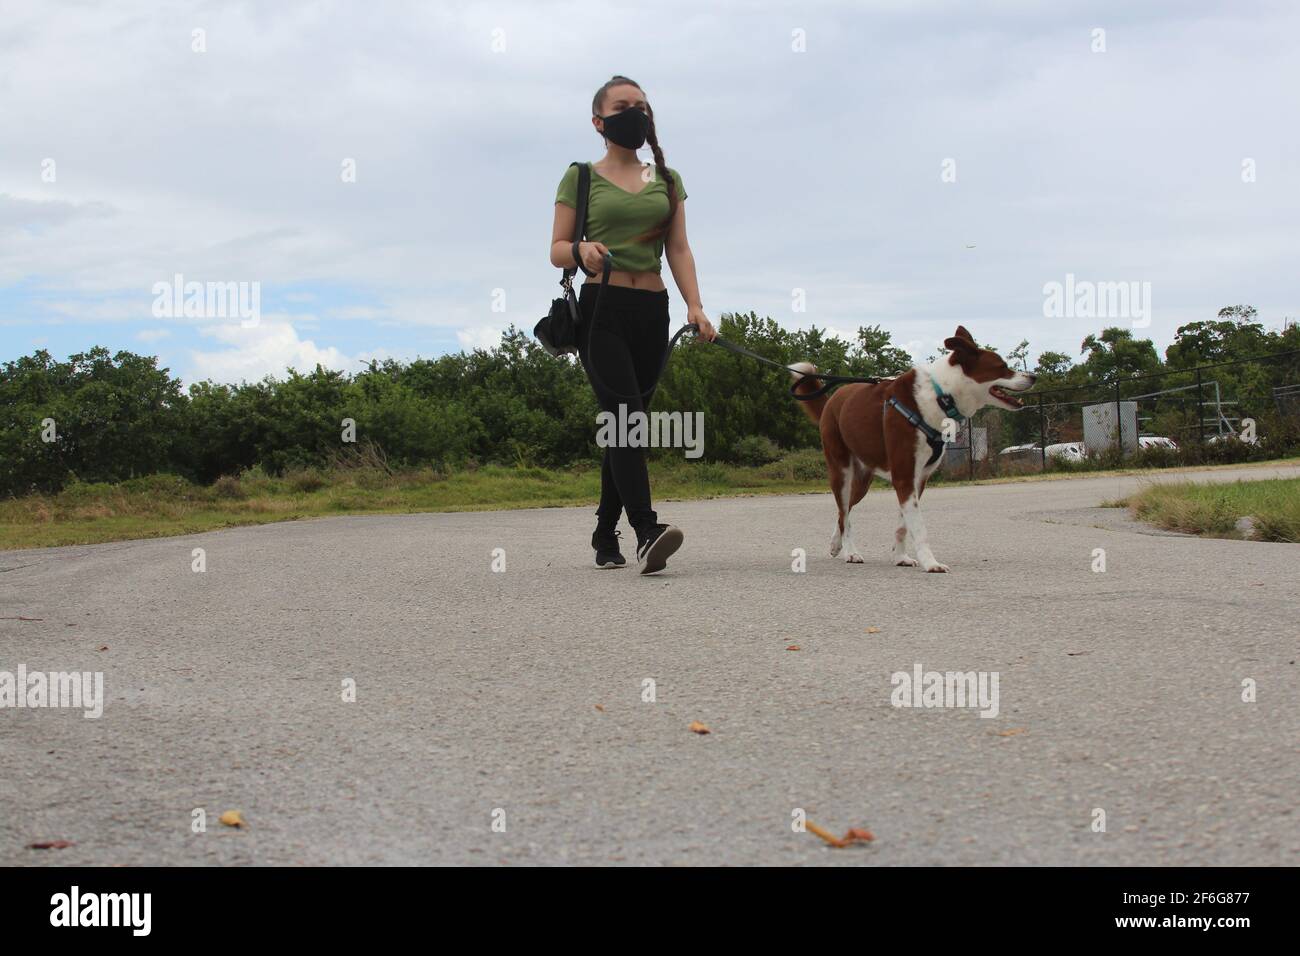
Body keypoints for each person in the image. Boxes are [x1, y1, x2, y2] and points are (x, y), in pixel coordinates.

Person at [550, 75, 716, 574]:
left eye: (642, 106)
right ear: (599, 121)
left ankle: (605, 531)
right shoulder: (580, 177)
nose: (636, 113)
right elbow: (556, 247)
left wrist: (696, 305)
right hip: (602, 310)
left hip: (654, 310)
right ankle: (647, 530)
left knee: (626, 424)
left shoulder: (667, 179)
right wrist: (580, 250)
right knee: (624, 419)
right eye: (624, 106)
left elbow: (678, 249)